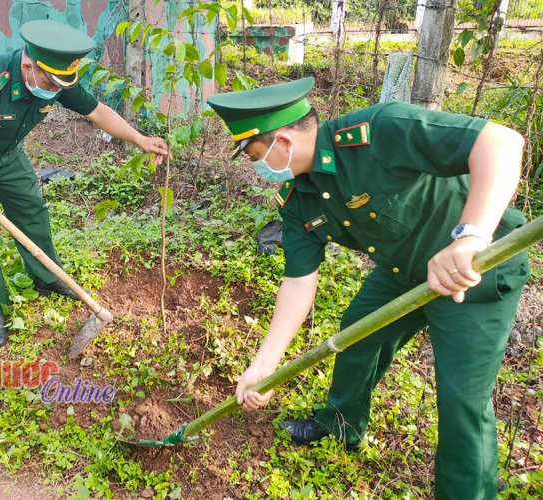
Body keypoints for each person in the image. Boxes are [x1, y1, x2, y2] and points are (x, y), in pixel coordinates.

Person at [207, 77, 530, 499]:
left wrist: (470, 237)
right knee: (357, 338)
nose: (258, 168)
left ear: (283, 141)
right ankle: (341, 425)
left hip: (475, 276)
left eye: (255, 156)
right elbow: (299, 281)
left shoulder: (379, 131)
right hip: (402, 274)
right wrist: (265, 363)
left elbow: (501, 143)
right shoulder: (298, 198)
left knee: (463, 401)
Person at [0, 20, 168, 348]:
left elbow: (96, 111)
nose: (54, 91)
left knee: (32, 213)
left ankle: (47, 277)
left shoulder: (56, 79)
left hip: (9, 156)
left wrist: (139, 138)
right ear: (27, 65)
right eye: (49, 82)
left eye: (59, 85)